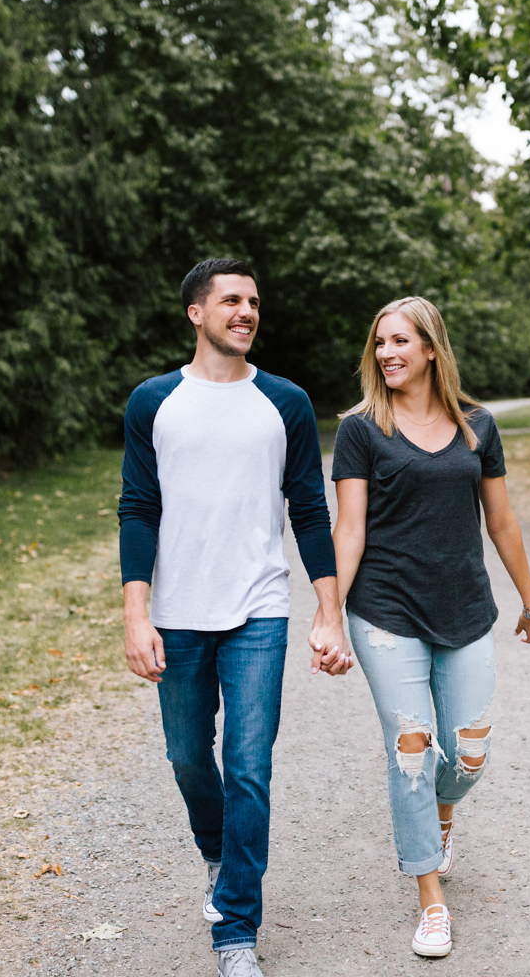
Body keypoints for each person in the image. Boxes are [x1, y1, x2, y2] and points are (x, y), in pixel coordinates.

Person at [119, 258, 350, 977]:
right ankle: (220, 855)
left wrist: (328, 607)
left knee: (249, 769)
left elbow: (309, 510)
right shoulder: (153, 401)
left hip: (258, 611)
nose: (246, 311)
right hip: (180, 614)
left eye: (253, 301)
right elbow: (138, 507)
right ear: (196, 313)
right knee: (190, 760)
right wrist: (137, 613)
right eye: (231, 301)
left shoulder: (285, 402)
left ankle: (236, 932)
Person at [329, 296, 530, 958]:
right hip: (386, 611)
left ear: (430, 349)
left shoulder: (476, 426)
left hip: (465, 609)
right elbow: (351, 527)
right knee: (412, 753)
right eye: (380, 344)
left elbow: (501, 523)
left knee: (470, 755)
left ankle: (442, 817)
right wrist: (329, 615)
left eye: (400, 342)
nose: (387, 353)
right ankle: (431, 902)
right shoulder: (361, 430)